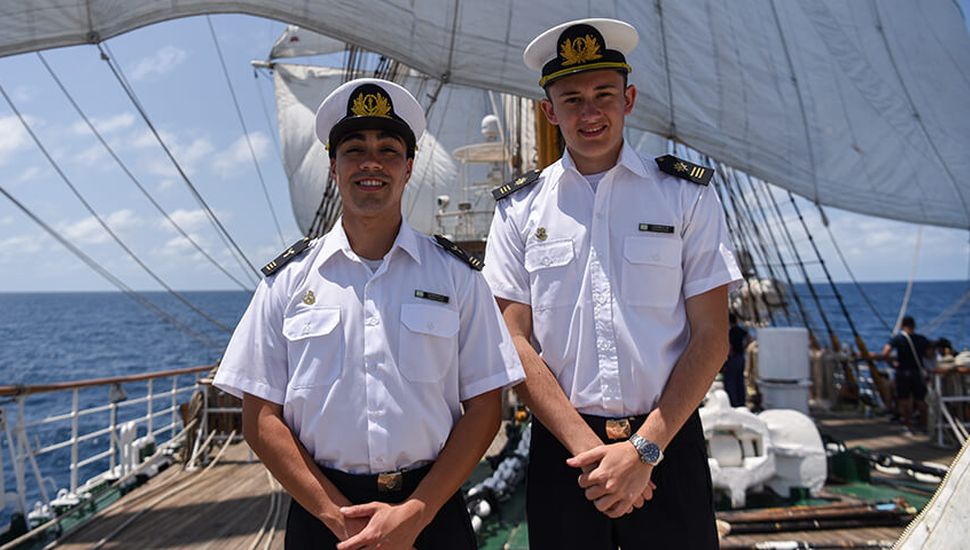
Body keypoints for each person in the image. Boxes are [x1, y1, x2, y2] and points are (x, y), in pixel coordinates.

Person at [213, 78, 525, 550]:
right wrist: (338, 518)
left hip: (432, 510)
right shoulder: (287, 281)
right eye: (354, 149)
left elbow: (485, 406)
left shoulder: (458, 278)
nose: (371, 163)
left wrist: (415, 514)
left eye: (388, 150)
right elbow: (259, 414)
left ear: (409, 167)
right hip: (322, 516)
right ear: (333, 167)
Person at [483, 18, 742, 550]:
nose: (590, 111)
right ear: (549, 111)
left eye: (604, 93)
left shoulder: (686, 197)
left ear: (629, 98)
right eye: (572, 98)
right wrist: (593, 454)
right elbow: (512, 339)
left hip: (668, 441)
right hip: (565, 453)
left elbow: (712, 337)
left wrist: (643, 451)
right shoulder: (517, 210)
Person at [881, 315, 933, 432]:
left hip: (903, 372)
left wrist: (892, 363)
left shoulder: (898, 339)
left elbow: (885, 352)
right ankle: (923, 426)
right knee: (920, 400)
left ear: (902, 325)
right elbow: (929, 354)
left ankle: (908, 426)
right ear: (914, 326)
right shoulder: (922, 339)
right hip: (917, 373)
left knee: (903, 400)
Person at [722, 313, 751, 407]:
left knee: (730, 382)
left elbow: (728, 345)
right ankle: (741, 401)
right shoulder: (741, 331)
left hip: (733, 359)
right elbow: (749, 339)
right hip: (741, 358)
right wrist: (743, 348)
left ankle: (733, 402)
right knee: (740, 381)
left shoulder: (730, 332)